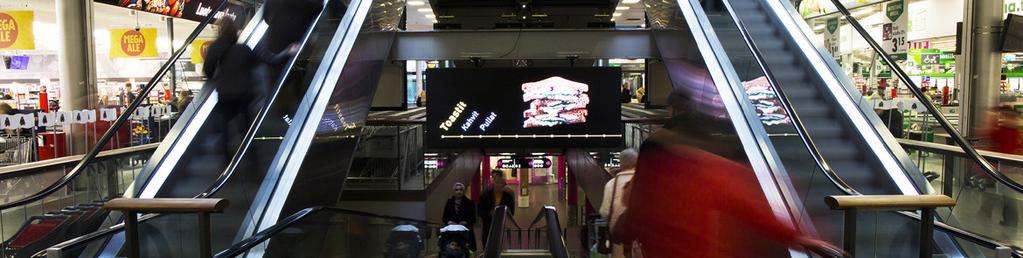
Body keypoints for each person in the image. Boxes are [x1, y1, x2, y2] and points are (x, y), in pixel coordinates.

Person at [611, 91, 844, 258]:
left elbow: (639, 207)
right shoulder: (710, 169)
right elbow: (750, 210)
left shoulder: (656, 156)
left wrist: (624, 232)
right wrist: (800, 238)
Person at [599, 148, 638, 258]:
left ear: (621, 164)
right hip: (641, 240)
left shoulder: (612, 184)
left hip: (618, 238)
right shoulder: (645, 181)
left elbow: (605, 211)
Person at [477, 170, 515, 246]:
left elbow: (511, 212)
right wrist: (489, 214)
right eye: (496, 182)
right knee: (487, 243)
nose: (498, 185)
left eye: (501, 183)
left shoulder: (508, 196)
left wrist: (503, 214)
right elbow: (479, 211)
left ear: (504, 184)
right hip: (488, 225)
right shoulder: (485, 195)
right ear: (493, 182)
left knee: (499, 243)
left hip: (501, 224)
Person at [442, 183, 477, 251]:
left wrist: (466, 222)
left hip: (465, 231)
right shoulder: (449, 202)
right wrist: (449, 221)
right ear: (454, 191)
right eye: (456, 190)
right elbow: (444, 217)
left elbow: (473, 219)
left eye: (461, 190)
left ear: (463, 191)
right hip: (451, 231)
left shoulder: (470, 203)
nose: (459, 191)